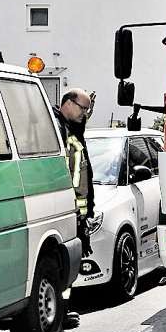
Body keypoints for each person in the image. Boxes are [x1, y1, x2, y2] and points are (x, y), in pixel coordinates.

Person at [53, 88, 96, 258]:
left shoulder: (71, 127)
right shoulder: (57, 128)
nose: (84, 113)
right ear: (69, 103)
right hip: (67, 213)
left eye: (87, 110)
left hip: (76, 215)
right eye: (82, 108)